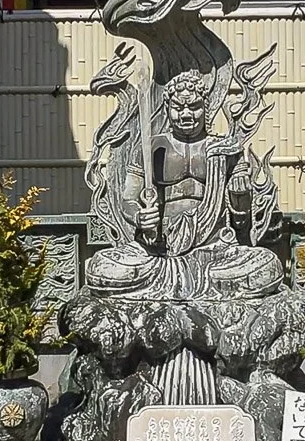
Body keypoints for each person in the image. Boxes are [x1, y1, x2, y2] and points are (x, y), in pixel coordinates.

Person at [86, 70, 282, 300]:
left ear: (206, 108)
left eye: (194, 107)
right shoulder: (150, 148)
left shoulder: (226, 150)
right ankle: (189, 284)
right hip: (158, 250)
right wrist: (140, 217)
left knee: (267, 266)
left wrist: (240, 196)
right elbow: (128, 199)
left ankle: (180, 285)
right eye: (178, 108)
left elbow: (240, 220)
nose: (186, 114)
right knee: (101, 268)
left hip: (214, 250)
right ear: (167, 108)